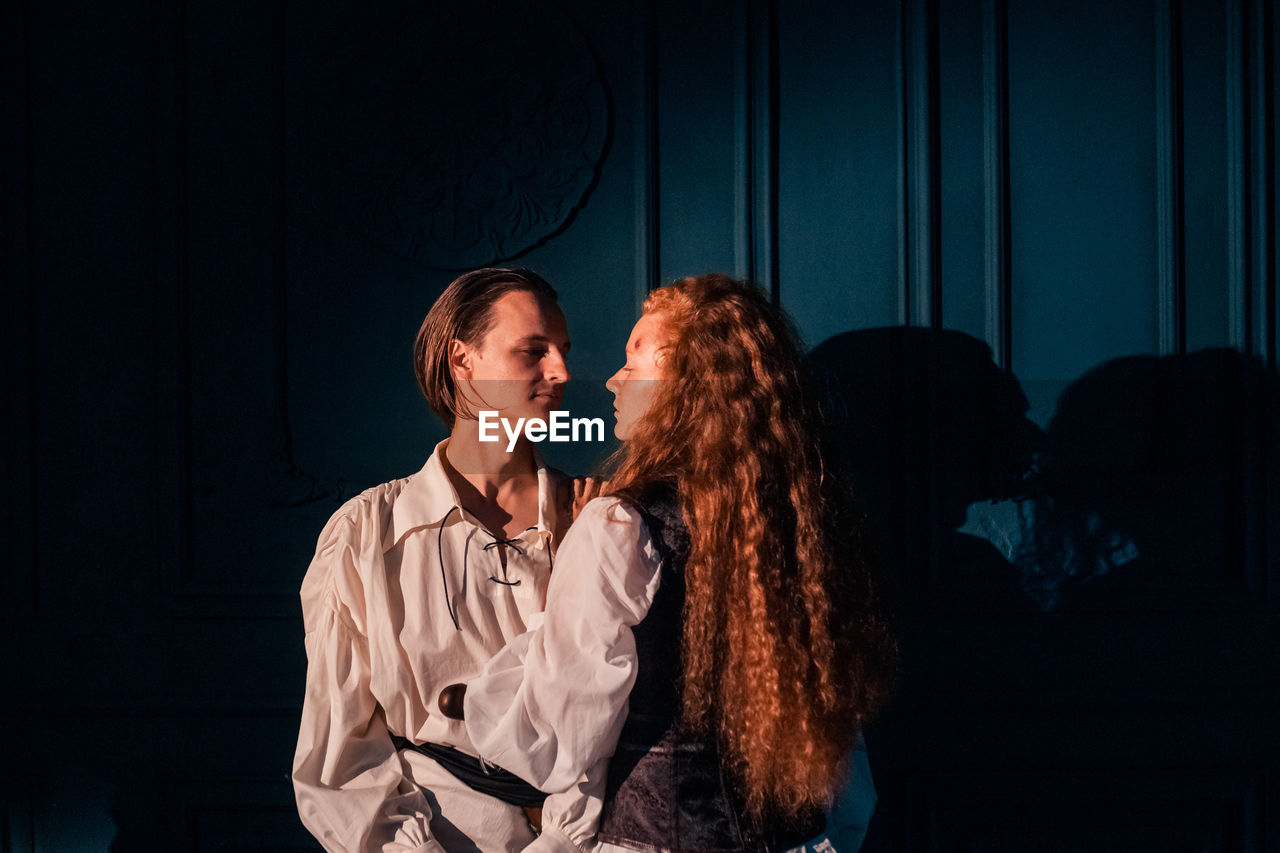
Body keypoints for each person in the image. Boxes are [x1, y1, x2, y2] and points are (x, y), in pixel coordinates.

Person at [460, 275, 897, 852]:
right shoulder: (807, 527)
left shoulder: (619, 526)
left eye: (634, 366)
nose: (612, 381)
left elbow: (552, 743)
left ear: (687, 388)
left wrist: (556, 600)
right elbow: (847, 767)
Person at [292, 268, 600, 852]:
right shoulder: (367, 532)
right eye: (533, 351)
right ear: (462, 361)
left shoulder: (598, 518)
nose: (561, 373)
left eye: (563, 352)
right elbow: (340, 758)